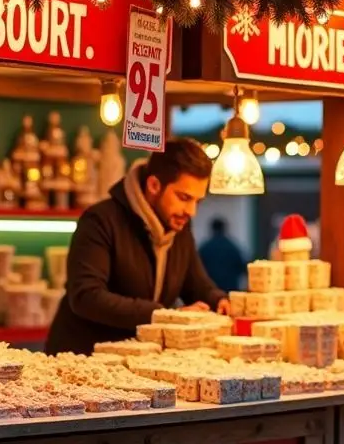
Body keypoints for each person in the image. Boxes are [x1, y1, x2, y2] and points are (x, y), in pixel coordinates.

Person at [46, 138, 228, 355]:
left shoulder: (179, 227)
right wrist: (164, 315)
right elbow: (87, 297)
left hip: (140, 361)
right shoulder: (100, 220)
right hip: (83, 360)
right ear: (154, 185)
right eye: (183, 197)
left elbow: (196, 285)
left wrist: (219, 301)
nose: (191, 211)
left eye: (197, 201)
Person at [198, 217, 247, 294]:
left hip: (210, 291)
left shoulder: (204, 247)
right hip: (230, 290)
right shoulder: (232, 246)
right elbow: (242, 268)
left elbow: (198, 271)